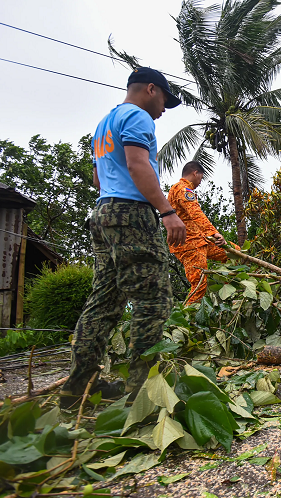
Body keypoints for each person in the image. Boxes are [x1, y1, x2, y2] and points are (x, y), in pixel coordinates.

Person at [60, 67, 185, 409]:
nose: (163, 109)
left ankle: (78, 391)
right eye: (164, 100)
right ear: (150, 89)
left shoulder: (104, 124)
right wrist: (166, 211)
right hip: (132, 213)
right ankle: (143, 392)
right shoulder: (139, 117)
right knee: (152, 300)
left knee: (104, 300)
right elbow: (137, 164)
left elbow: (101, 180)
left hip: (103, 214)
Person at [168, 161, 238, 304]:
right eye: (201, 177)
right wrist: (214, 233)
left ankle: (229, 291)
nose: (200, 182)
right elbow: (196, 213)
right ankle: (187, 320)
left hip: (201, 241)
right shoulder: (182, 189)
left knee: (235, 253)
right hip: (189, 245)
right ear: (195, 173)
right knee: (199, 284)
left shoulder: (181, 190)